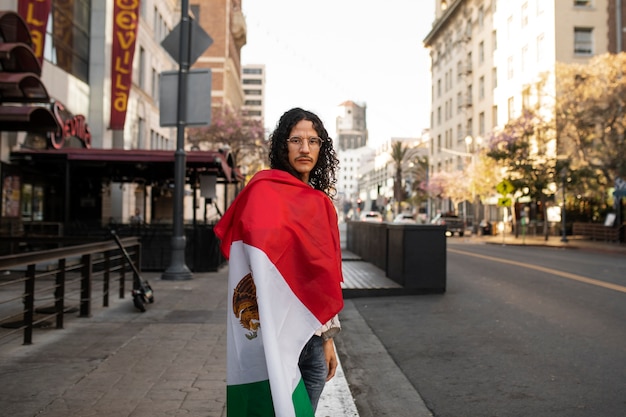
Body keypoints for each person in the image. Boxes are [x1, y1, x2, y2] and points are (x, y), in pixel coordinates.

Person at [215, 108, 343, 416]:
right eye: (296, 140)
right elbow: (254, 262)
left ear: (321, 148)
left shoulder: (320, 202)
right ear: (282, 145)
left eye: (313, 141)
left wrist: (328, 341)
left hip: (311, 340)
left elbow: (321, 278)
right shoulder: (261, 192)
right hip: (273, 336)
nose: (304, 148)